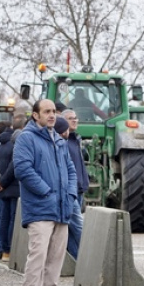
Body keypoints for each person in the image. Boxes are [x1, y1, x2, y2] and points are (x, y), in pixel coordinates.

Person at [13, 99, 76, 286]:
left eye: (53, 112)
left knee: (56, 256)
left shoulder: (59, 141)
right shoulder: (26, 139)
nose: (51, 115)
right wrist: (47, 191)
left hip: (62, 207)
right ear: (35, 115)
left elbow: (71, 170)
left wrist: (70, 193)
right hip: (40, 207)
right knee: (38, 255)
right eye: (46, 112)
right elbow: (23, 169)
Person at [0, 116, 25, 260]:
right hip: (13, 187)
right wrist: (4, 182)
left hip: (4, 188)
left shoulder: (3, 145)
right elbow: (14, 167)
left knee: (3, 219)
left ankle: (3, 249)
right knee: (13, 219)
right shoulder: (15, 145)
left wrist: (0, 183)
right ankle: (10, 249)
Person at [62, 110, 88, 258]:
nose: (75, 120)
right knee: (78, 226)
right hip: (70, 190)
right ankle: (88, 260)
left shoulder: (75, 140)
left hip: (79, 188)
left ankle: (76, 259)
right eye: (71, 118)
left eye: (76, 118)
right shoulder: (63, 141)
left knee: (71, 228)